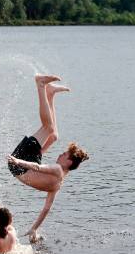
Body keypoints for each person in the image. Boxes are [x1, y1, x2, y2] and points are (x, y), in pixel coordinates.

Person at [7, 74, 89, 241]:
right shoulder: (58, 183)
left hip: (20, 163)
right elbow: (46, 209)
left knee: (48, 128)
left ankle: (41, 85)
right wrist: (34, 229)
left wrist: (17, 161)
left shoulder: (57, 170)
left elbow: (37, 167)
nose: (60, 154)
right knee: (54, 136)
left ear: (69, 162)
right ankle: (50, 94)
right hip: (24, 164)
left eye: (64, 154)